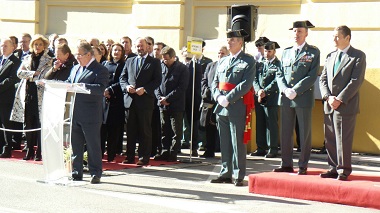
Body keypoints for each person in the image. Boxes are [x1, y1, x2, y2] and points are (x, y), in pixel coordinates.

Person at [319, 25, 366, 181]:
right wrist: (328, 97)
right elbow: (323, 79)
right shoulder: (330, 56)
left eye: (337, 36)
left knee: (343, 140)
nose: (334, 39)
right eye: (333, 36)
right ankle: (333, 167)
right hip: (329, 104)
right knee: (330, 138)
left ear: (347, 38)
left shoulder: (358, 56)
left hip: (345, 105)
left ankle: (343, 170)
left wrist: (339, 99)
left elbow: (355, 81)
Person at [274, 20, 320, 175]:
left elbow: (312, 75)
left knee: (304, 133)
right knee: (285, 132)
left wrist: (296, 90)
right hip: (286, 97)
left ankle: (303, 165)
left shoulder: (313, 52)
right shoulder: (286, 51)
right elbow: (279, 73)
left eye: (300, 31)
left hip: (303, 97)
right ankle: (286, 163)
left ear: (306, 33)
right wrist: (285, 89)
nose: (296, 34)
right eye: (294, 31)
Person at [210, 29, 255, 186]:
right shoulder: (222, 61)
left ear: (240, 42)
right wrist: (217, 96)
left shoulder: (248, 61)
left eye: (233, 40)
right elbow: (214, 82)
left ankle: (237, 174)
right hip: (221, 106)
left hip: (236, 106)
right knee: (225, 142)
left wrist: (228, 98)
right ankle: (225, 172)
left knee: (237, 142)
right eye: (228, 40)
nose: (229, 42)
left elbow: (246, 84)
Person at [67, 41, 109, 184]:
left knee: (93, 146)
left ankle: (95, 173)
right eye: (76, 54)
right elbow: (69, 82)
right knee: (76, 145)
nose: (77, 57)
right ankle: (76, 172)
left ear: (89, 54)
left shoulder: (100, 69)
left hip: (91, 115)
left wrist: (82, 86)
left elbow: (100, 88)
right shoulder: (75, 68)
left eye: (80, 54)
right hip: (75, 112)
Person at [119, 37, 162, 165]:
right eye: (138, 46)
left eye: (142, 46)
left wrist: (146, 89)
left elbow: (157, 80)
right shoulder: (130, 61)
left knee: (145, 131)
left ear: (147, 47)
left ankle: (144, 157)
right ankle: (130, 156)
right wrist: (127, 87)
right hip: (130, 101)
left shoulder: (154, 62)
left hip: (145, 101)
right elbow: (123, 78)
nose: (140, 48)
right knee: (130, 130)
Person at [11, 34, 53, 161]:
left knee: (40, 124)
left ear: (44, 46)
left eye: (40, 44)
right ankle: (29, 150)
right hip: (28, 94)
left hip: (41, 95)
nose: (38, 47)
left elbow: (45, 76)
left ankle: (39, 151)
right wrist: (33, 73)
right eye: (35, 44)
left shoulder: (49, 59)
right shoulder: (27, 58)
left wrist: (31, 75)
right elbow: (19, 73)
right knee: (28, 124)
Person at [154, 46, 189, 162]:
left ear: (174, 57)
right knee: (164, 129)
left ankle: (173, 152)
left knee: (176, 130)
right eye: (163, 59)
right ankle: (165, 150)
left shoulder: (182, 68)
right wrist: (159, 97)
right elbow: (156, 83)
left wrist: (168, 98)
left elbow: (182, 87)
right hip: (162, 104)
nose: (165, 61)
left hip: (176, 104)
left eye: (167, 59)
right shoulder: (160, 66)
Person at [252, 41, 281, 158]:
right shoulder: (259, 64)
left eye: (269, 51)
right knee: (260, 123)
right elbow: (254, 78)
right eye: (265, 51)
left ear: (274, 51)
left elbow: (277, 81)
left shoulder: (278, 64)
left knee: (271, 124)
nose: (266, 53)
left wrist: (265, 91)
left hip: (271, 98)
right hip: (259, 97)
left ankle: (272, 148)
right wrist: (259, 90)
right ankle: (261, 147)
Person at [200, 45, 229, 158]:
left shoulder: (228, 66)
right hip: (210, 100)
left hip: (222, 100)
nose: (220, 55)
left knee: (222, 126)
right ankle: (209, 149)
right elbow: (204, 80)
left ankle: (223, 149)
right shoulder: (210, 65)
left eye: (222, 53)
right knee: (209, 126)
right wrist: (208, 92)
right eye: (219, 53)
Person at [102, 43, 126, 162]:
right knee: (102, 129)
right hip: (104, 100)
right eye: (114, 50)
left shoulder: (124, 65)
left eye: (119, 50)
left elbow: (122, 81)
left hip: (116, 100)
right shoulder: (105, 64)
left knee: (114, 130)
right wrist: (104, 89)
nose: (116, 52)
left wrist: (110, 90)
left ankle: (111, 154)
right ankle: (100, 154)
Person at [0, 38, 22, 158]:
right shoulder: (0, 59)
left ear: (13, 47)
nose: (3, 48)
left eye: (6, 46)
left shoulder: (15, 61)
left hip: (6, 97)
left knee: (6, 124)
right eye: (2, 46)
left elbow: (12, 79)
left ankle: (7, 148)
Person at [180, 46, 202, 157]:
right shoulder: (177, 66)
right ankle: (176, 147)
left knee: (193, 123)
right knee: (178, 124)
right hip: (179, 99)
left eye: (189, 51)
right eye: (185, 51)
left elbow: (198, 83)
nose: (187, 53)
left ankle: (194, 147)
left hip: (192, 98)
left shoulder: (196, 66)